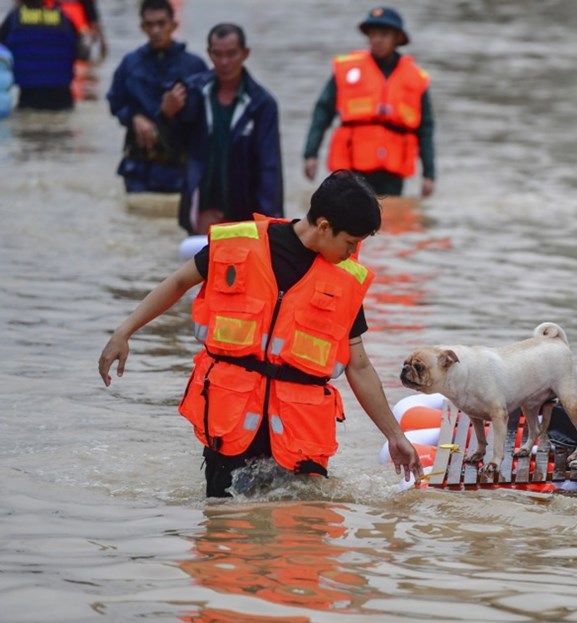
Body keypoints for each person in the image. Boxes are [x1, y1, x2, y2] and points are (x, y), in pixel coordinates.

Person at [98, 170, 424, 497]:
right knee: (223, 520)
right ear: (324, 226)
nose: (352, 253)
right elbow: (179, 282)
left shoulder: (344, 280)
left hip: (299, 435)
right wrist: (124, 332)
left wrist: (395, 436)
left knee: (305, 523)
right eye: (350, 243)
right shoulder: (239, 245)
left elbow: (359, 365)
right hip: (232, 424)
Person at [161, 23, 282, 235]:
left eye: (231, 54)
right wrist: (166, 116)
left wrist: (272, 226)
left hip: (245, 216)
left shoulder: (262, 104)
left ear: (245, 53)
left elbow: (269, 169)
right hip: (200, 213)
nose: (224, 62)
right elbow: (174, 149)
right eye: (217, 54)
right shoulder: (192, 93)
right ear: (209, 53)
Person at [303, 6, 435, 198]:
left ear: (397, 38)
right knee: (347, 214)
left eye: (384, 34)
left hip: (392, 173)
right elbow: (322, 112)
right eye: (373, 34)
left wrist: (429, 174)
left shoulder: (415, 78)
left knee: (389, 215)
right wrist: (311, 154)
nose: (377, 40)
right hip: (351, 167)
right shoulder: (347, 69)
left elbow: (426, 129)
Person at [106, 0, 207, 194]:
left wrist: (172, 112)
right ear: (142, 27)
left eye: (161, 24)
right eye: (150, 25)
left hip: (181, 170)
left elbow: (205, 116)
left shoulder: (194, 66)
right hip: (139, 169)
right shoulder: (130, 64)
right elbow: (115, 101)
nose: (156, 31)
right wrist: (133, 117)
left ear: (174, 25)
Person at [0, 0, 79, 110]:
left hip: (29, 94)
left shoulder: (15, 18)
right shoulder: (63, 17)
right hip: (63, 95)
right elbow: (79, 51)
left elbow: (3, 52)